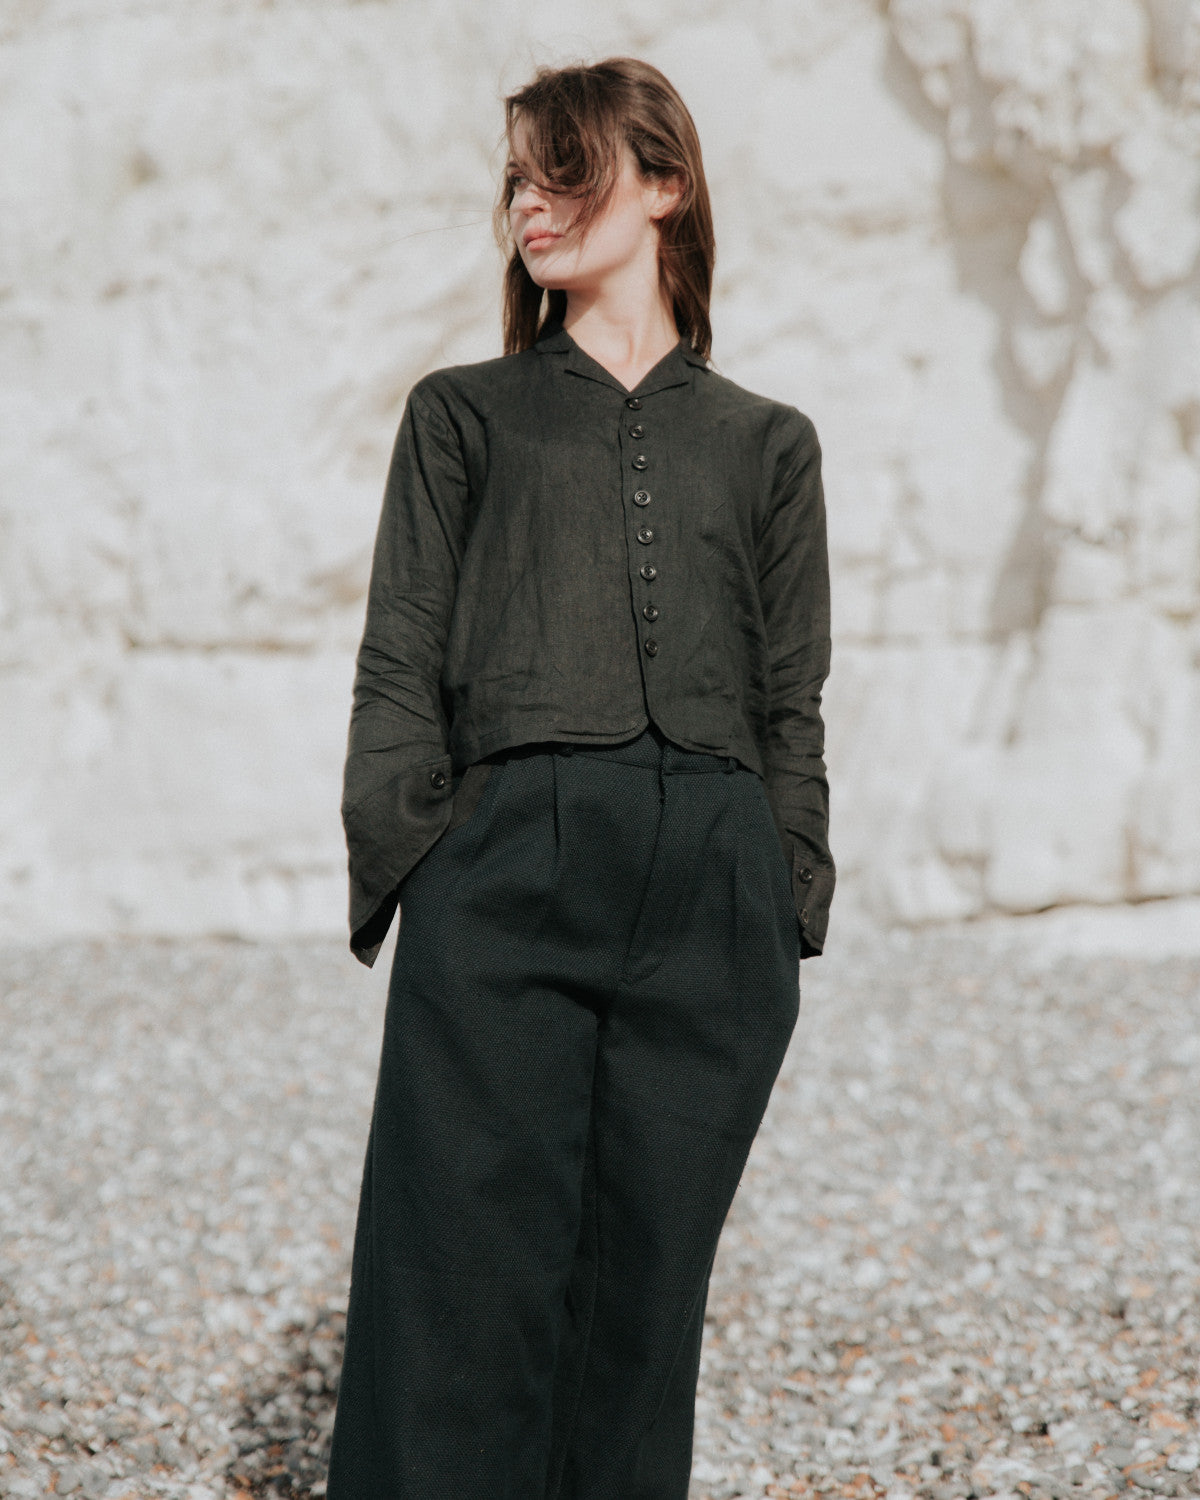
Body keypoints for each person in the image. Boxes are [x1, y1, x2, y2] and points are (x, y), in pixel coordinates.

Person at [324, 55, 835, 1500]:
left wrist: (787, 885)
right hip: (507, 870)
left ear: (662, 183)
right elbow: (396, 666)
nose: (530, 207)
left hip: (714, 893)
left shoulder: (769, 444)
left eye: (565, 172)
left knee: (644, 1298)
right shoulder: (461, 417)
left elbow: (792, 695)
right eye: (516, 183)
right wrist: (423, 858)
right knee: (458, 1282)